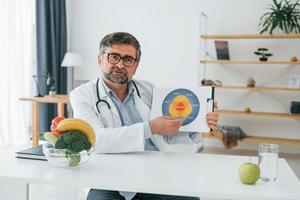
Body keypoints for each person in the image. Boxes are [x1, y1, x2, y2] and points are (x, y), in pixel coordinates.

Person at [70, 32, 221, 200]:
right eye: (113, 57)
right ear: (100, 59)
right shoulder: (82, 95)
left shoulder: (149, 90)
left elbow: (166, 132)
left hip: (153, 176)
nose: (120, 64)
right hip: (107, 180)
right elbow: (96, 140)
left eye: (128, 60)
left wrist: (199, 123)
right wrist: (150, 127)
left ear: (135, 66)